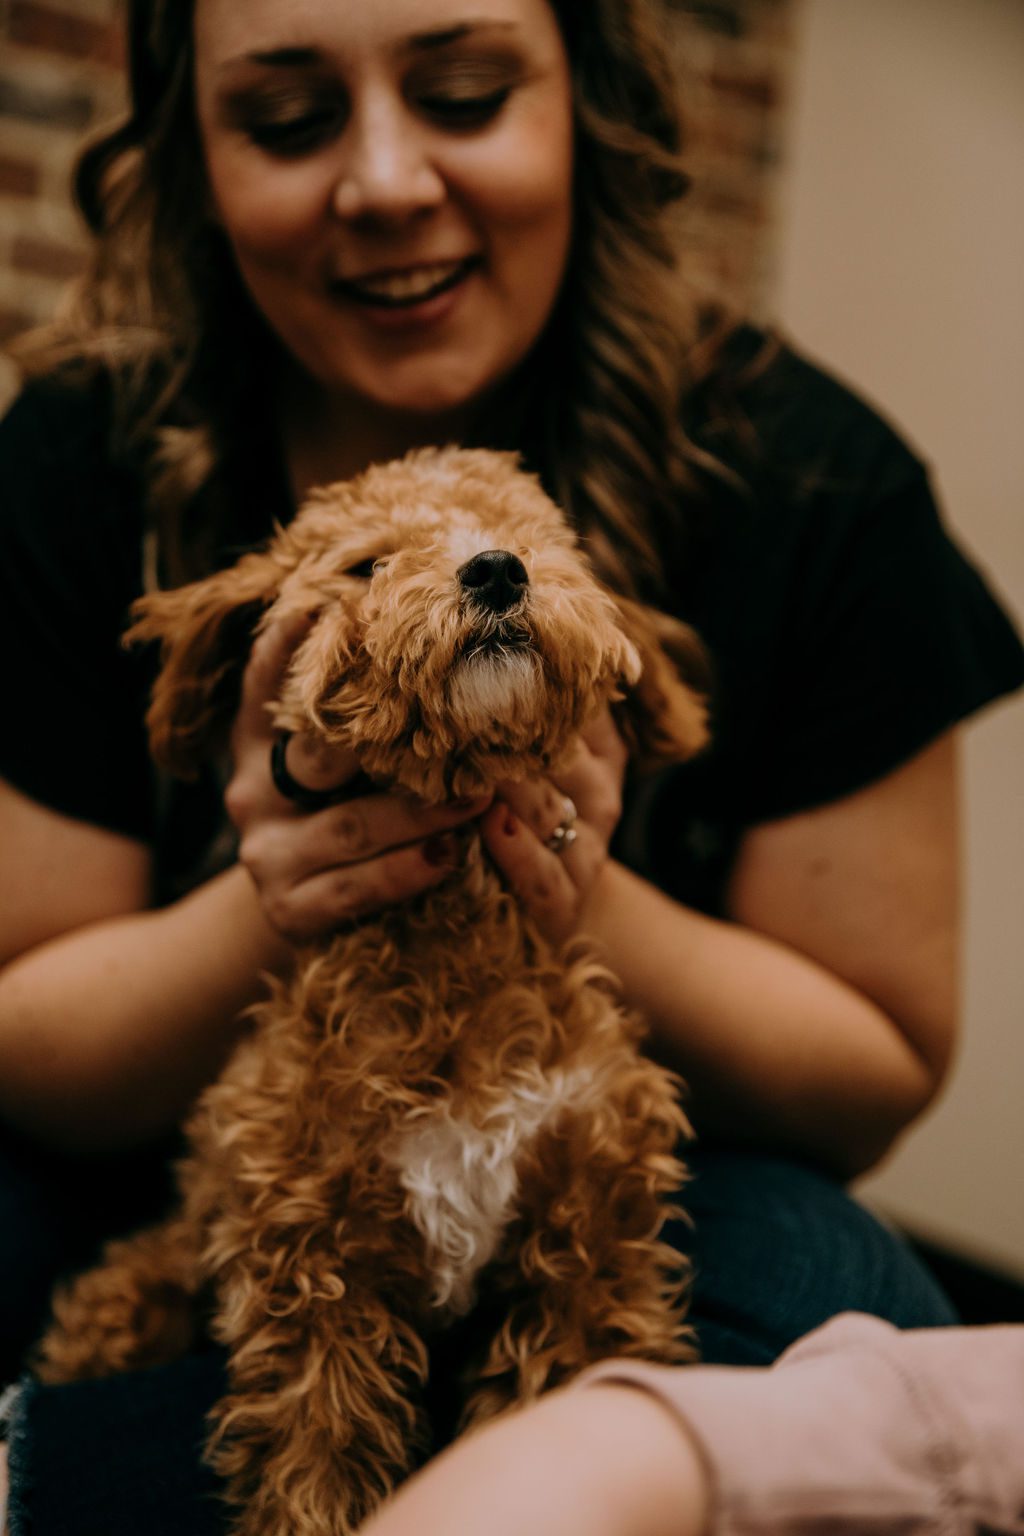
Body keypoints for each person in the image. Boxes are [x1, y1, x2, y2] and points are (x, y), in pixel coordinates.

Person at [0, 0, 1021, 1527]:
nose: (387, 184)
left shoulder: (819, 485)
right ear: (191, 153)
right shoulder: (81, 458)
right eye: (287, 121)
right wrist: (278, 893)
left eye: (466, 92)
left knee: (817, 1278)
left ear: (589, 102)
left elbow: (869, 1076)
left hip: (630, 1176)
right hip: (187, 1171)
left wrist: (563, 883)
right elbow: (23, 1033)